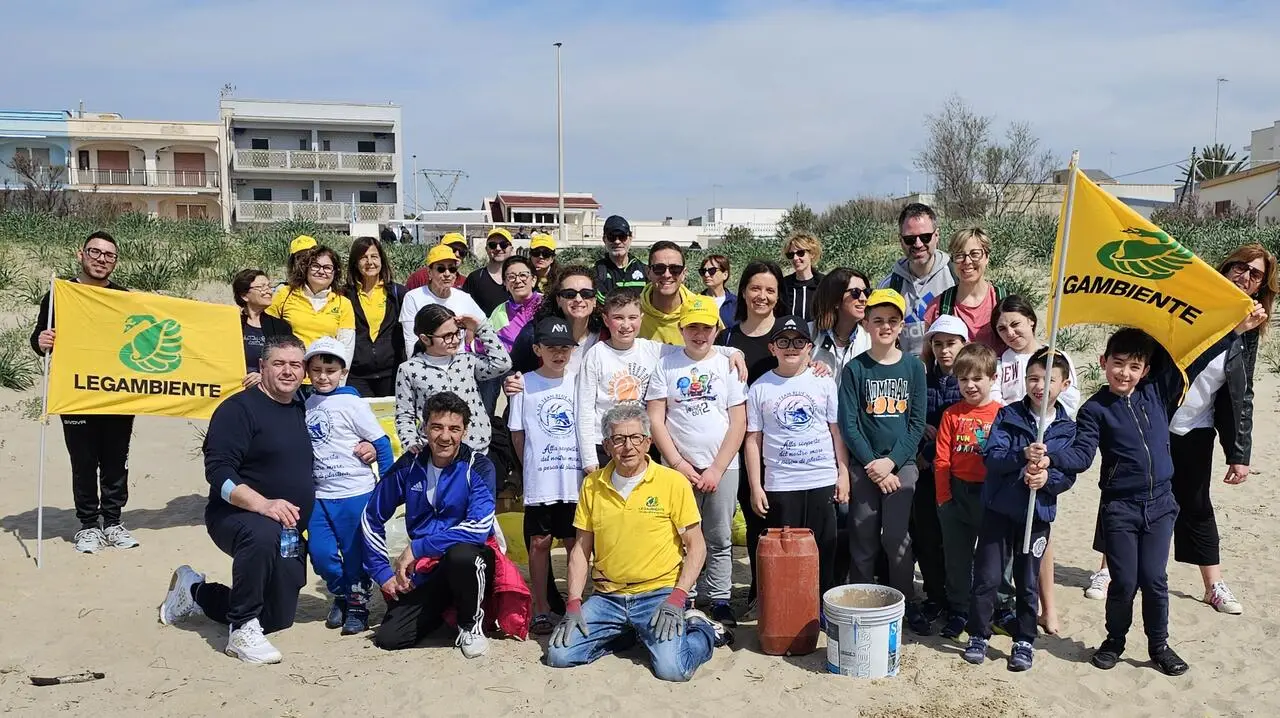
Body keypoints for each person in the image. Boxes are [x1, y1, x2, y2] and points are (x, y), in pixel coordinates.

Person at [1034, 328, 1189, 676]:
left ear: (1146, 370)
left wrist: (1235, 330)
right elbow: (1082, 454)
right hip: (1120, 507)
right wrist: (1052, 458)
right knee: (1124, 581)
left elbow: (1192, 349)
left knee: (1154, 579)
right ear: (1104, 362)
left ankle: (1159, 645)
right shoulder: (1095, 410)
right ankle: (1114, 641)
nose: (1125, 373)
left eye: (1135, 366)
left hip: (1161, 504)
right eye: (1118, 363)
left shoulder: (1158, 391)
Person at [545, 403, 730, 682]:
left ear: (648, 442)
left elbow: (697, 546)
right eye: (618, 439)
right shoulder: (592, 485)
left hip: (659, 595)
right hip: (608, 597)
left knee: (673, 670)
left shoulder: (672, 482)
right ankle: (630, 633)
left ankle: (702, 630)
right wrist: (573, 603)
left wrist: (677, 597)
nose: (627, 447)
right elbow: (581, 551)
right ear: (607, 445)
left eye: (635, 438)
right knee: (559, 656)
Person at [157, 336, 314, 664]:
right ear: (262, 367)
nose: (288, 371)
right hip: (235, 516)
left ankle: (195, 591)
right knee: (262, 533)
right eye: (279, 364)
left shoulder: (304, 405)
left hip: (289, 528)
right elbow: (219, 473)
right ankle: (241, 628)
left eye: (295, 364)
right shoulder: (238, 409)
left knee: (276, 619)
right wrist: (263, 504)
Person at [962, 348, 1079, 672]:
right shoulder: (1009, 415)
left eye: (1048, 380)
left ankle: (1024, 640)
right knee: (987, 577)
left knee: (1027, 581)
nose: (1040, 386)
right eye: (1033, 379)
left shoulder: (1066, 429)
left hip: (1036, 515)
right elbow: (993, 457)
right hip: (999, 510)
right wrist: (1022, 455)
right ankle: (978, 634)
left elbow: (1068, 475)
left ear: (1064, 384)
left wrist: (1046, 477)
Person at [362, 392, 499, 657]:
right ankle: (443, 611)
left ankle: (471, 625)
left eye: (454, 429)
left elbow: (479, 527)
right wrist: (382, 573)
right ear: (424, 427)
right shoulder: (410, 464)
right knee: (390, 638)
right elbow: (371, 516)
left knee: (462, 555)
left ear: (465, 431)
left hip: (468, 560)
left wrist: (419, 547)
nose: (445, 436)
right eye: (437, 427)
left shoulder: (479, 466)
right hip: (426, 571)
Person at [30, 231, 139, 553]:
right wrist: (41, 341)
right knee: (84, 461)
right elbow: (38, 337)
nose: (102, 259)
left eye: (109, 255)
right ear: (82, 254)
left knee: (116, 461)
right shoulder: (59, 293)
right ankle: (89, 525)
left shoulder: (124, 297)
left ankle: (114, 521)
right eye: (96, 252)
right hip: (76, 392)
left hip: (116, 393)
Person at [647, 296, 748, 625]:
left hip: (723, 466)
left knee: (719, 536)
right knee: (681, 535)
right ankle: (685, 593)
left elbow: (738, 421)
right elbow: (656, 419)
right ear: (681, 328)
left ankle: (719, 597)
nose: (699, 333)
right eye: (693, 327)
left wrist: (717, 468)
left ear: (717, 329)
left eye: (706, 327)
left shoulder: (727, 364)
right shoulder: (667, 363)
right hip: (678, 467)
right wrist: (678, 464)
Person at [838, 289, 929, 634]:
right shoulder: (855, 369)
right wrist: (873, 466)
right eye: (878, 320)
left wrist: (891, 463)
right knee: (863, 535)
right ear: (866, 323)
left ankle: (905, 602)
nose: (885, 326)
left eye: (893, 320)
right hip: (864, 467)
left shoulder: (913, 367)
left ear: (902, 325)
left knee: (896, 538)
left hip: (900, 465)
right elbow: (850, 424)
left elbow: (916, 423)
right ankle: (863, 602)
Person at [991, 294, 1080, 633]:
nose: (1010, 332)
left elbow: (1070, 400)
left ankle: (1048, 607)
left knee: (1042, 528)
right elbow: (999, 400)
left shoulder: (1055, 355)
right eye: (1001, 328)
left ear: (1030, 320)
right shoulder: (1003, 363)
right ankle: (1011, 602)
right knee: (1013, 529)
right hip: (1014, 448)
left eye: (1015, 323)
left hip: (1048, 449)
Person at [745, 315, 850, 599]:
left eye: (799, 341)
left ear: (809, 347)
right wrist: (756, 486)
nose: (791, 347)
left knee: (824, 548)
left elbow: (836, 431)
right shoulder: (760, 388)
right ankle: (788, 606)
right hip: (781, 482)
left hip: (821, 477)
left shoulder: (824, 382)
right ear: (772, 348)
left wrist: (843, 474)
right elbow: (753, 440)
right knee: (785, 552)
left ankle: (823, 605)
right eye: (783, 341)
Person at [301, 337, 395, 635]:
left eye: (330, 370)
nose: (323, 376)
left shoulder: (353, 403)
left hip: (355, 492)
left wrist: (387, 488)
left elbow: (381, 444)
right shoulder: (303, 401)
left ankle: (357, 604)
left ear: (343, 371)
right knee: (321, 553)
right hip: (319, 495)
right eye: (316, 369)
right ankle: (341, 593)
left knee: (355, 554)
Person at [715, 260, 786, 607]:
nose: (762, 296)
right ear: (743, 291)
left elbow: (806, 365)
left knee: (769, 517)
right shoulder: (726, 337)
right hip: (735, 442)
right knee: (743, 512)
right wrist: (727, 350)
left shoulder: (787, 334)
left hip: (778, 443)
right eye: (755, 288)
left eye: (770, 290)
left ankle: (765, 589)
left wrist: (816, 364)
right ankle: (721, 593)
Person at [510, 317, 582, 634]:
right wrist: (532, 467)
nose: (558, 353)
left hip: (574, 480)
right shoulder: (523, 383)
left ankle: (574, 605)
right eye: (551, 347)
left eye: (565, 347)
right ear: (537, 348)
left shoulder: (580, 380)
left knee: (574, 543)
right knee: (539, 543)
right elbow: (517, 434)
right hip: (541, 480)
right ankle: (541, 607)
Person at [933, 343, 1003, 640]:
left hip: (991, 496)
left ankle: (995, 610)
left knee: (994, 560)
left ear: (992, 378)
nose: (970, 385)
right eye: (963, 379)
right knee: (957, 558)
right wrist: (943, 498)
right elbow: (941, 459)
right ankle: (959, 609)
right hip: (956, 494)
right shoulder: (952, 414)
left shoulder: (1003, 414)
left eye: (977, 378)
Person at [395, 304, 511, 456]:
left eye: (458, 333)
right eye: (447, 336)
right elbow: (404, 413)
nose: (455, 340)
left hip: (477, 448)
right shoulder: (409, 369)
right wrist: (411, 443)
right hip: (436, 453)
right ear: (425, 338)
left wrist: (481, 327)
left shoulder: (467, 361)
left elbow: (502, 363)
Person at [917, 315, 970, 632]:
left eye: (951, 343)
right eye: (938, 343)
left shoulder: (971, 383)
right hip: (926, 472)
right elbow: (910, 421)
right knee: (928, 536)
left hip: (958, 471)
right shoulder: (921, 379)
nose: (944, 350)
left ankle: (958, 599)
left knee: (958, 540)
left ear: (963, 344)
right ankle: (935, 595)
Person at [879, 203, 955, 356]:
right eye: (910, 239)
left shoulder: (955, 276)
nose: (918, 244)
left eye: (925, 237)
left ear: (937, 235)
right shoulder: (888, 286)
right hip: (906, 372)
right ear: (901, 240)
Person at [923, 227, 1007, 354]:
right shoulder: (938, 306)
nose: (967, 262)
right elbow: (927, 356)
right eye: (959, 256)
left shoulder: (1002, 301)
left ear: (987, 257)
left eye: (975, 254)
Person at [508, 265, 603, 376]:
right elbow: (512, 371)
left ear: (594, 300)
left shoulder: (608, 334)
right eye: (569, 294)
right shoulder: (533, 334)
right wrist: (510, 381)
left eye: (586, 294)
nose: (578, 299)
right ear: (558, 300)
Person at [267, 244, 356, 360]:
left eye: (327, 268)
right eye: (315, 266)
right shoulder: (284, 294)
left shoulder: (343, 303)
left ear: (335, 272)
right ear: (305, 268)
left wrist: (340, 377)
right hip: (288, 371)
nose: (321, 271)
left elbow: (346, 348)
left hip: (324, 374)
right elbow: (265, 332)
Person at [344, 236, 407, 398]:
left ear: (382, 260)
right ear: (355, 262)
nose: (369, 262)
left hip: (391, 374)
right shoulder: (344, 294)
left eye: (374, 256)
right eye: (363, 257)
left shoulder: (397, 293)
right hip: (357, 376)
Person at [398, 244, 487, 354]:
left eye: (452, 268)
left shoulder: (464, 298)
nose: (447, 274)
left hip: (459, 364)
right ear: (429, 273)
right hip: (427, 365)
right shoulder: (413, 298)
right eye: (441, 269)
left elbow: (485, 325)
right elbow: (411, 341)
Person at [231, 269, 293, 391]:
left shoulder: (281, 327)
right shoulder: (231, 323)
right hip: (234, 389)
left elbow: (289, 360)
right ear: (244, 296)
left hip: (268, 390)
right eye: (261, 287)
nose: (268, 291)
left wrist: (263, 376)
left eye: (269, 286)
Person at [640, 241, 710, 344]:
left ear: (684, 273)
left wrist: (731, 352)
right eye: (659, 268)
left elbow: (721, 345)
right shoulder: (633, 312)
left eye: (675, 269)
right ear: (648, 272)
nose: (667, 275)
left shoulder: (703, 309)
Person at [810, 267, 872, 373]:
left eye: (866, 292)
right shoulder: (808, 334)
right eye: (855, 292)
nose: (863, 298)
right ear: (835, 299)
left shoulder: (870, 339)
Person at [489, 255, 542, 352]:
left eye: (523, 275)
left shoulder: (546, 303)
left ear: (533, 280)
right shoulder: (500, 312)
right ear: (505, 283)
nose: (517, 281)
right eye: (511, 277)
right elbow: (487, 343)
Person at [593, 214, 648, 300]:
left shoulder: (645, 270)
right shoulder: (596, 273)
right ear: (604, 239)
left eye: (622, 236)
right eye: (612, 237)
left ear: (630, 238)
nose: (617, 241)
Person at [464, 228, 515, 317]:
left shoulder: (520, 278)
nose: (498, 248)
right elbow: (465, 309)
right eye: (492, 245)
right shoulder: (475, 278)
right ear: (487, 249)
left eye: (503, 245)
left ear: (511, 249)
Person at [780, 231, 825, 322]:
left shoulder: (824, 284)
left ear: (812, 254)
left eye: (800, 253)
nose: (795, 258)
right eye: (791, 255)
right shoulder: (784, 285)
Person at [406, 233, 470, 291]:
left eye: (462, 251)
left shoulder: (465, 282)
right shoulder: (419, 277)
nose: (457, 254)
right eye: (452, 249)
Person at [698, 254, 737, 328]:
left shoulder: (737, 304)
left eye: (711, 271)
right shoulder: (695, 301)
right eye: (703, 271)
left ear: (725, 274)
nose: (706, 275)